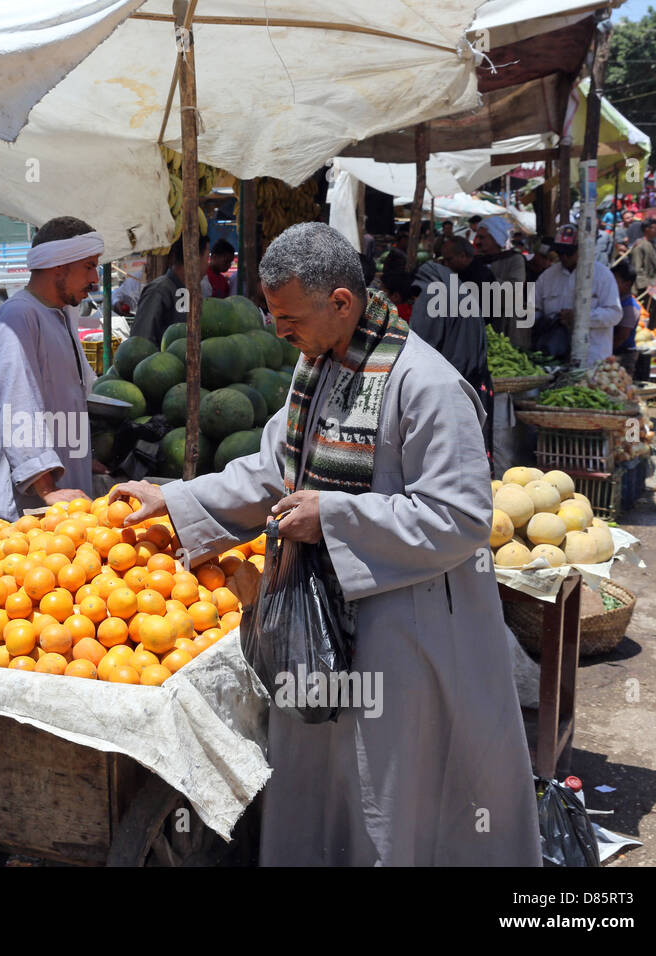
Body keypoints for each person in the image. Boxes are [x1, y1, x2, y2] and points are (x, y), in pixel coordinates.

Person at [111, 222, 540, 866]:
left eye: (289, 317)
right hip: (317, 623)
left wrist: (334, 516)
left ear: (342, 302)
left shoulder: (427, 385)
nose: (279, 331)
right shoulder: (315, 368)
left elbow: (460, 517)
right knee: (322, 789)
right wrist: (174, 499)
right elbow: (272, 472)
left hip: (406, 629)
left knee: (390, 795)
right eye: (271, 315)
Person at [0, 217, 104, 539]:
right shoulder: (18, 316)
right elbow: (19, 404)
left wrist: (80, 456)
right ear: (58, 266)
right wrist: (47, 488)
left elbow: (65, 395)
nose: (95, 278)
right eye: (89, 266)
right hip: (25, 503)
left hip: (56, 493)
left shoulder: (60, 314)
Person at [416, 235, 495, 461]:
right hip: (469, 371)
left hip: (462, 374)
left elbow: (425, 340)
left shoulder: (477, 278)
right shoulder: (450, 284)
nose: (446, 263)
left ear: (464, 255)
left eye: (449, 258)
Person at [531, 224, 622, 363]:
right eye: (560, 253)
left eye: (569, 253)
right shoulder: (547, 277)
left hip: (592, 359)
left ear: (583, 249)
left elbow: (615, 314)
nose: (564, 257)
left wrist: (581, 317)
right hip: (554, 358)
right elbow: (535, 311)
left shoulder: (602, 275)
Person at [130, 235, 209, 346]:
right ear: (195, 259)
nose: (208, 265)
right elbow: (140, 342)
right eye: (207, 259)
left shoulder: (188, 292)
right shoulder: (159, 290)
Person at [474, 215, 530, 351]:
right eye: (478, 237)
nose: (478, 241)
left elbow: (514, 290)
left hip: (507, 322)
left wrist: (488, 278)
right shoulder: (475, 261)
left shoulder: (515, 259)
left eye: (483, 237)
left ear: (495, 238)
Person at [629, 218, 656, 330]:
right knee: (646, 315)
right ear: (647, 229)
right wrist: (646, 285)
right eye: (655, 228)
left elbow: (655, 263)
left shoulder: (653, 244)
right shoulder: (640, 246)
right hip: (645, 287)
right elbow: (637, 269)